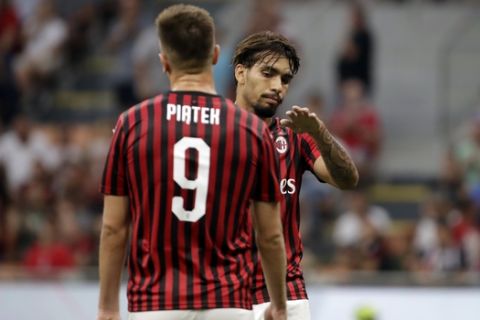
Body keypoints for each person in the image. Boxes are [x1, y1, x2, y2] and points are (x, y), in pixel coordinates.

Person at [97, 5, 287, 320]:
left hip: (155, 303)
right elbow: (270, 235)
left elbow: (114, 228)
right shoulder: (252, 130)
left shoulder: (133, 123)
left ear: (164, 61)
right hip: (228, 303)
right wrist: (278, 305)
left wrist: (106, 307)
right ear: (215, 55)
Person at [233, 31, 359, 320]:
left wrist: (320, 133)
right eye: (268, 73)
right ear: (241, 72)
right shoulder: (211, 135)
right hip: (226, 293)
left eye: (285, 79)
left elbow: (348, 180)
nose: (277, 85)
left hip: (288, 295)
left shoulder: (296, 136)